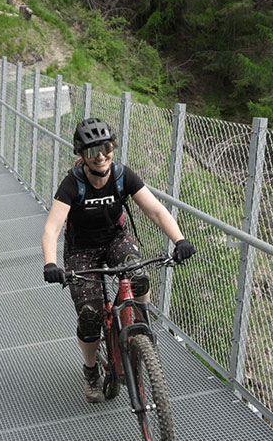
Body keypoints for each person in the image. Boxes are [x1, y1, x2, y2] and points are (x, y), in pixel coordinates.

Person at [41, 117, 196, 403]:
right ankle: (90, 372)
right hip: (81, 250)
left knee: (138, 276)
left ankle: (141, 325)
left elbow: (156, 211)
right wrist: (51, 263)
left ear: (113, 147)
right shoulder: (72, 184)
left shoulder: (123, 175)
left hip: (116, 239)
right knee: (90, 315)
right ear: (82, 155)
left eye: (106, 147)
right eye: (92, 150)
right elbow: (52, 228)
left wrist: (180, 240)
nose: (101, 155)